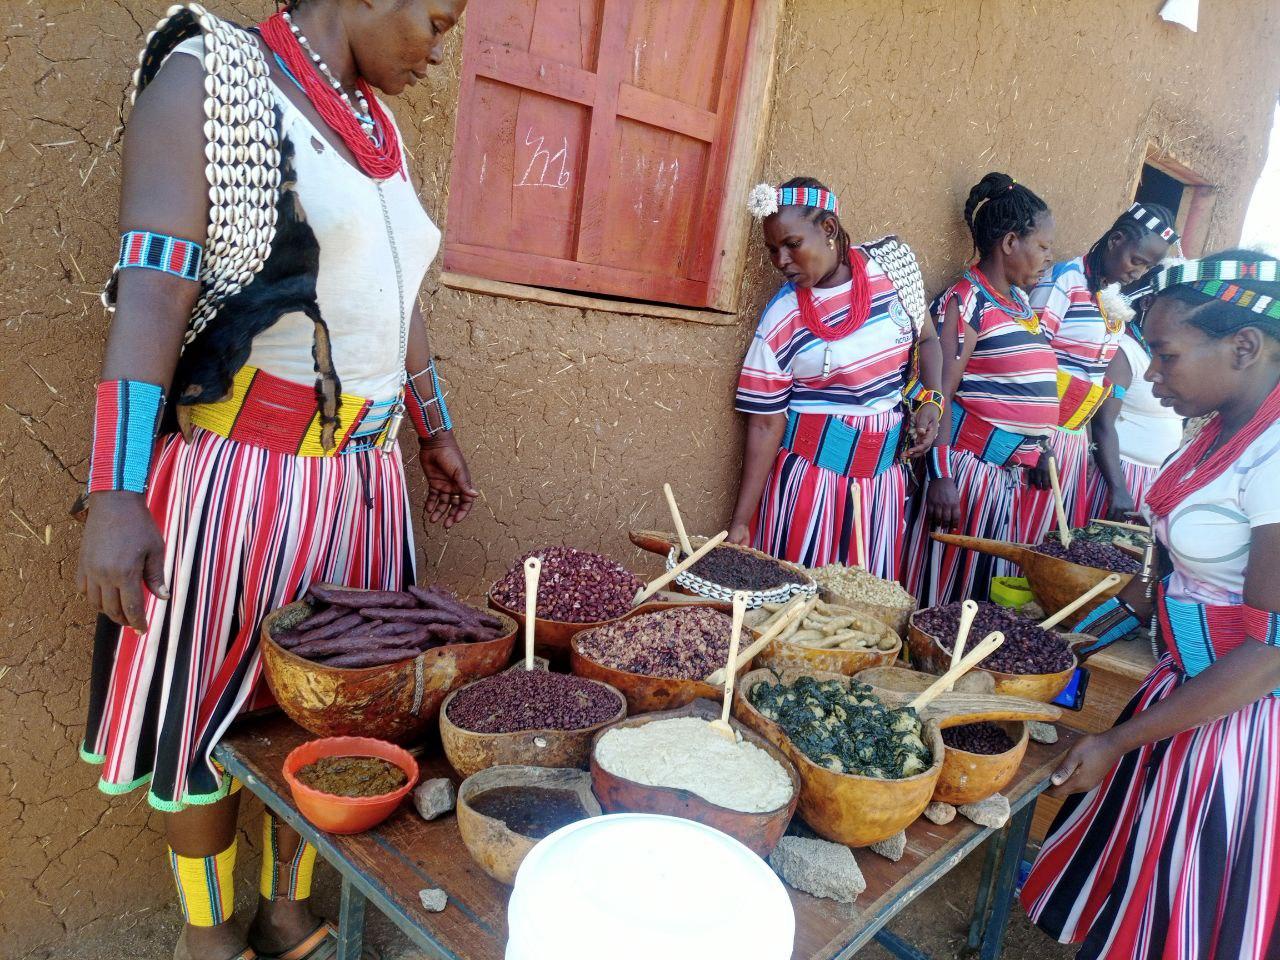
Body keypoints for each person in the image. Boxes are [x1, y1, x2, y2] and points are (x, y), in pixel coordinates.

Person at [74, 2, 471, 958]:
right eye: (436, 16)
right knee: (205, 717)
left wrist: (433, 428)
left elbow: (397, 293)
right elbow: (154, 283)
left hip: (360, 491)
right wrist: (116, 488)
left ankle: (287, 911)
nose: (440, 44)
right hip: (242, 480)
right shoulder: (212, 80)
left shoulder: (381, 128)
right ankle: (209, 934)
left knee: (329, 713)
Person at [1021, 250, 1280, 959]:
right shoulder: (1222, 428)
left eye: (1165, 357)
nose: (1152, 376)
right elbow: (1168, 573)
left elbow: (1270, 654)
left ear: (1245, 345)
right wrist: (1073, 638)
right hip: (1185, 687)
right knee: (1143, 877)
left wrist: (1112, 740)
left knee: (1190, 904)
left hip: (1240, 720)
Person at [728, 178, 943, 580]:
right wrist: (742, 520)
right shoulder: (782, 317)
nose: (781, 260)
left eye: (792, 243)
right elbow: (764, 421)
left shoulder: (893, 271)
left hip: (882, 484)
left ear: (828, 229)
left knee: (864, 610)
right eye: (773, 249)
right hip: (813, 486)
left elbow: (929, 340)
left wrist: (932, 401)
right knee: (802, 607)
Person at [906, 173, 1057, 606]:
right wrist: (940, 474)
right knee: (949, 598)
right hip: (967, 475)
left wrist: (1039, 450)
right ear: (1010, 242)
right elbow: (939, 394)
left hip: (1006, 480)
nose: (1049, 258)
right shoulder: (965, 300)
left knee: (984, 601)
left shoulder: (1020, 304)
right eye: (1043, 246)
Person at [1018, 203, 1177, 542]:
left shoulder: (1108, 296)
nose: (1138, 272)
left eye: (1147, 267)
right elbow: (1030, 359)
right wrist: (1037, 443)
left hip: (1073, 440)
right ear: (1115, 240)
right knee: (1025, 535)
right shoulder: (1065, 282)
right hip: (1041, 434)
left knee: (1053, 540)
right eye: (1136, 260)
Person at [1085, 262, 1186, 520]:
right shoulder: (1125, 352)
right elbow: (1101, 424)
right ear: (1147, 304)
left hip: (1153, 481)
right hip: (1119, 479)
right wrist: (1118, 488)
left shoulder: (1174, 357)